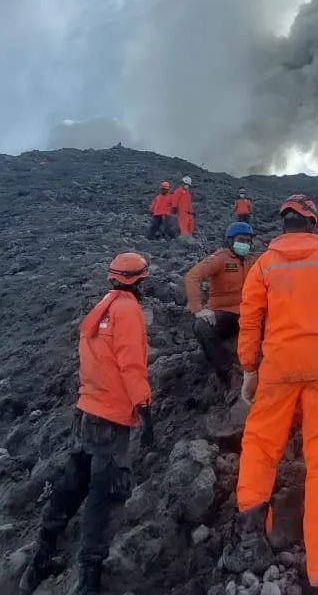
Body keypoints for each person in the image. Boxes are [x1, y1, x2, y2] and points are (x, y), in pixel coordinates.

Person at [223, 195, 318, 594]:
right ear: (310, 223)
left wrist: (250, 370)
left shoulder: (264, 264)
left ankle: (251, 534)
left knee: (260, 445)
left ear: (283, 224)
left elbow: (250, 319)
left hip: (280, 366)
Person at [20, 253, 154, 595]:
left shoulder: (102, 308)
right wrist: (144, 406)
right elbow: (131, 365)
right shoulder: (128, 312)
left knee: (73, 480)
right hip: (110, 416)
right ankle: (89, 576)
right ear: (140, 280)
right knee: (103, 495)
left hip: (88, 410)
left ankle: (43, 551)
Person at [185, 222, 256, 389]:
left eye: (248, 241)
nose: (244, 244)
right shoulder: (219, 259)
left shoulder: (253, 261)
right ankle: (228, 374)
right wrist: (198, 309)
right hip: (226, 314)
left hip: (250, 315)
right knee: (202, 326)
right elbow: (192, 277)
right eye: (241, 240)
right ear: (230, 241)